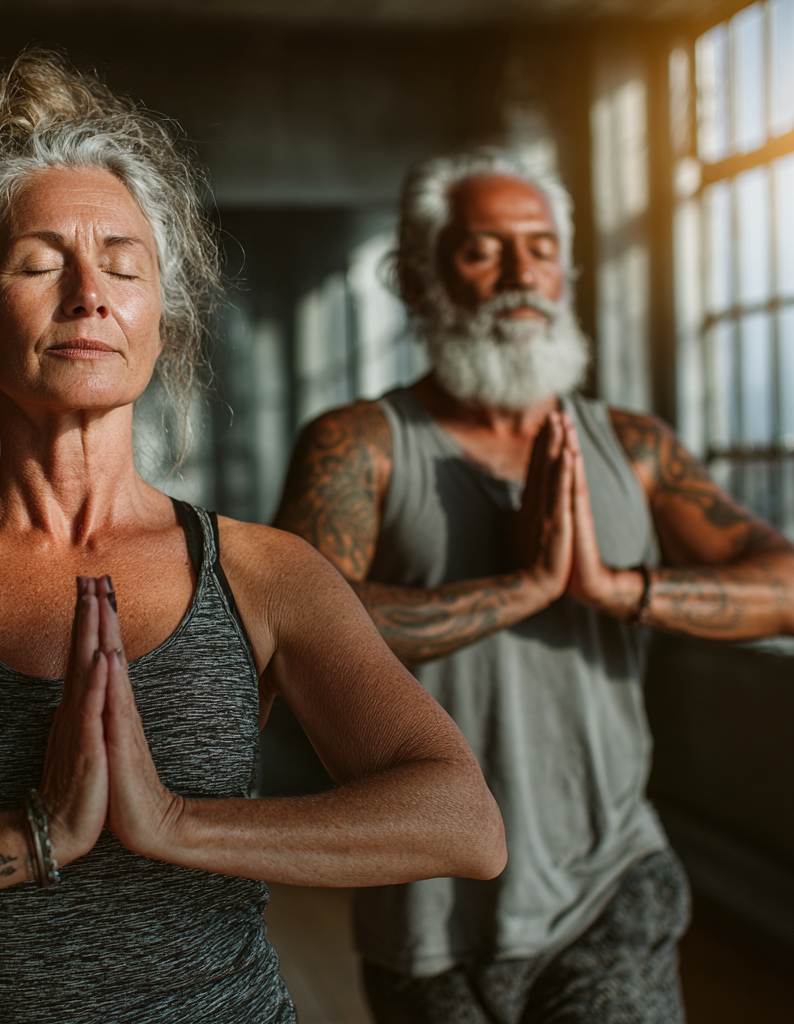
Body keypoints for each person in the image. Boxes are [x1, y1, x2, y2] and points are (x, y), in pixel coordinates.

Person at [0, 55, 507, 1023]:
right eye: (40, 263)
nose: (89, 293)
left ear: (160, 321)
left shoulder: (259, 572)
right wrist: (34, 835)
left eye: (123, 263)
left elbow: (464, 822)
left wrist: (174, 823)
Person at [274, 147, 794, 1023]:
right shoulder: (357, 442)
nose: (523, 274)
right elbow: (296, 629)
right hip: (425, 903)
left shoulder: (633, 445)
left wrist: (614, 588)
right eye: (484, 250)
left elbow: (785, 582)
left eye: (542, 247)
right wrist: (523, 587)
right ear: (420, 280)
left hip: (609, 884)